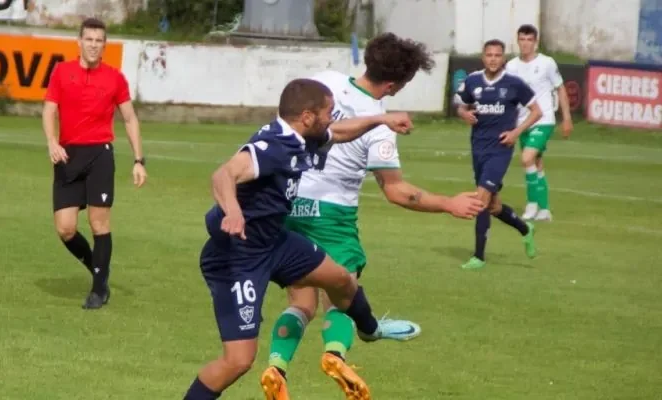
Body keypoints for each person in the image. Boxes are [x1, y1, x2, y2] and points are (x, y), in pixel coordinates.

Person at [260, 33, 486, 400]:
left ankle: (276, 366)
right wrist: (448, 203)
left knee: (301, 303)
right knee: (343, 297)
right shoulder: (381, 125)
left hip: (290, 204)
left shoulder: (323, 84)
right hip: (333, 217)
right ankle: (334, 355)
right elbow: (396, 191)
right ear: (396, 84)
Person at [183, 78, 418, 400]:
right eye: (329, 113)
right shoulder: (274, 145)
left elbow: (341, 132)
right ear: (308, 116)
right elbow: (223, 174)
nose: (332, 119)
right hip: (237, 257)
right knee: (238, 361)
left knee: (341, 279)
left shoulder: (303, 135)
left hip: (275, 243)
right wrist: (233, 211)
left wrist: (382, 119)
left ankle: (369, 330)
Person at [42, 18, 147, 309]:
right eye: (89, 39)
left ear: (104, 45)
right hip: (68, 155)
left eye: (99, 40)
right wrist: (52, 142)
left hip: (100, 154)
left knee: (99, 223)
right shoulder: (62, 73)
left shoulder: (115, 78)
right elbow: (49, 111)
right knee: (65, 228)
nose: (93, 45)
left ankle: (98, 289)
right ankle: (98, 269)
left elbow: (129, 118)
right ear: (79, 42)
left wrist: (139, 160)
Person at [454, 39, 541, 270]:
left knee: (480, 200)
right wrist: (464, 114)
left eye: (498, 55)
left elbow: (537, 111)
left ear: (503, 58)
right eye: (489, 55)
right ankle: (525, 229)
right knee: (493, 206)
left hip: (500, 150)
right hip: (478, 148)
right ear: (483, 57)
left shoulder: (514, 84)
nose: (493, 59)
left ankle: (479, 257)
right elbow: (461, 106)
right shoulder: (473, 81)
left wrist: (516, 133)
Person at [505, 24, 574, 221]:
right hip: (521, 121)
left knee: (526, 158)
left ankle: (532, 204)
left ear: (535, 42)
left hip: (543, 119)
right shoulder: (511, 66)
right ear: (517, 41)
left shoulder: (547, 63)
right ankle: (544, 210)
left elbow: (560, 89)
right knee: (536, 163)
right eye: (522, 39)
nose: (525, 44)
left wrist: (566, 118)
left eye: (529, 40)